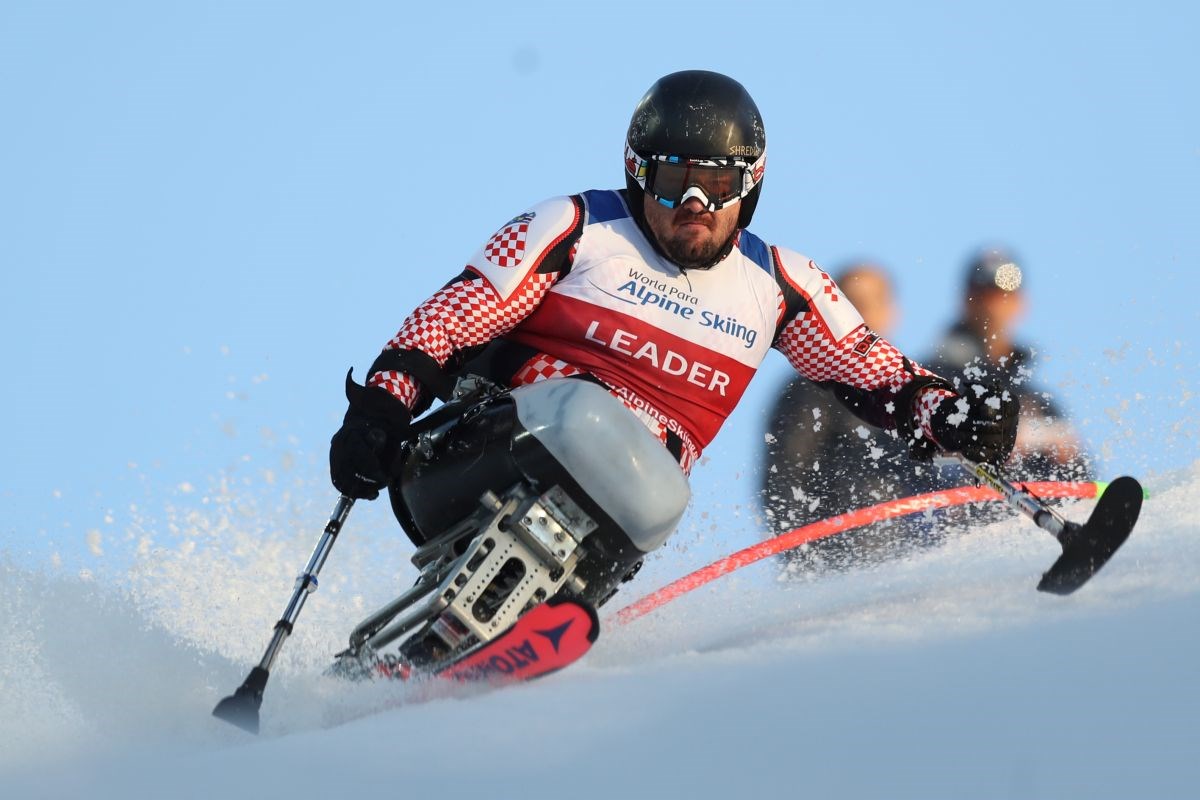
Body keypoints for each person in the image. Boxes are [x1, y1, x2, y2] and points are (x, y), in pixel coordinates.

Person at [328, 70, 1018, 634]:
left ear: (749, 187)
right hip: (483, 453)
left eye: (716, 185)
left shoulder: (777, 286)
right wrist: (381, 411)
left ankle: (475, 657)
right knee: (585, 419)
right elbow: (456, 316)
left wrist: (949, 411)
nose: (693, 203)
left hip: (619, 509)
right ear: (637, 174)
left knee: (662, 491)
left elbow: (869, 368)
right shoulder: (577, 228)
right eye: (672, 182)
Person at [759, 263, 942, 571]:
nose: (862, 314)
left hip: (914, 559)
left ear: (892, 311)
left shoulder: (911, 391)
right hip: (839, 566)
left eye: (872, 302)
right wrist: (808, 564)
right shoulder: (809, 390)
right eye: (851, 305)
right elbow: (783, 482)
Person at [926, 247, 1089, 482]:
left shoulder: (1040, 403)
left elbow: (1079, 473)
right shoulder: (933, 377)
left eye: (1007, 294)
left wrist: (1056, 444)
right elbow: (914, 456)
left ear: (1022, 303)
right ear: (966, 301)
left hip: (1031, 512)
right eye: (987, 294)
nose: (997, 305)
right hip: (957, 510)